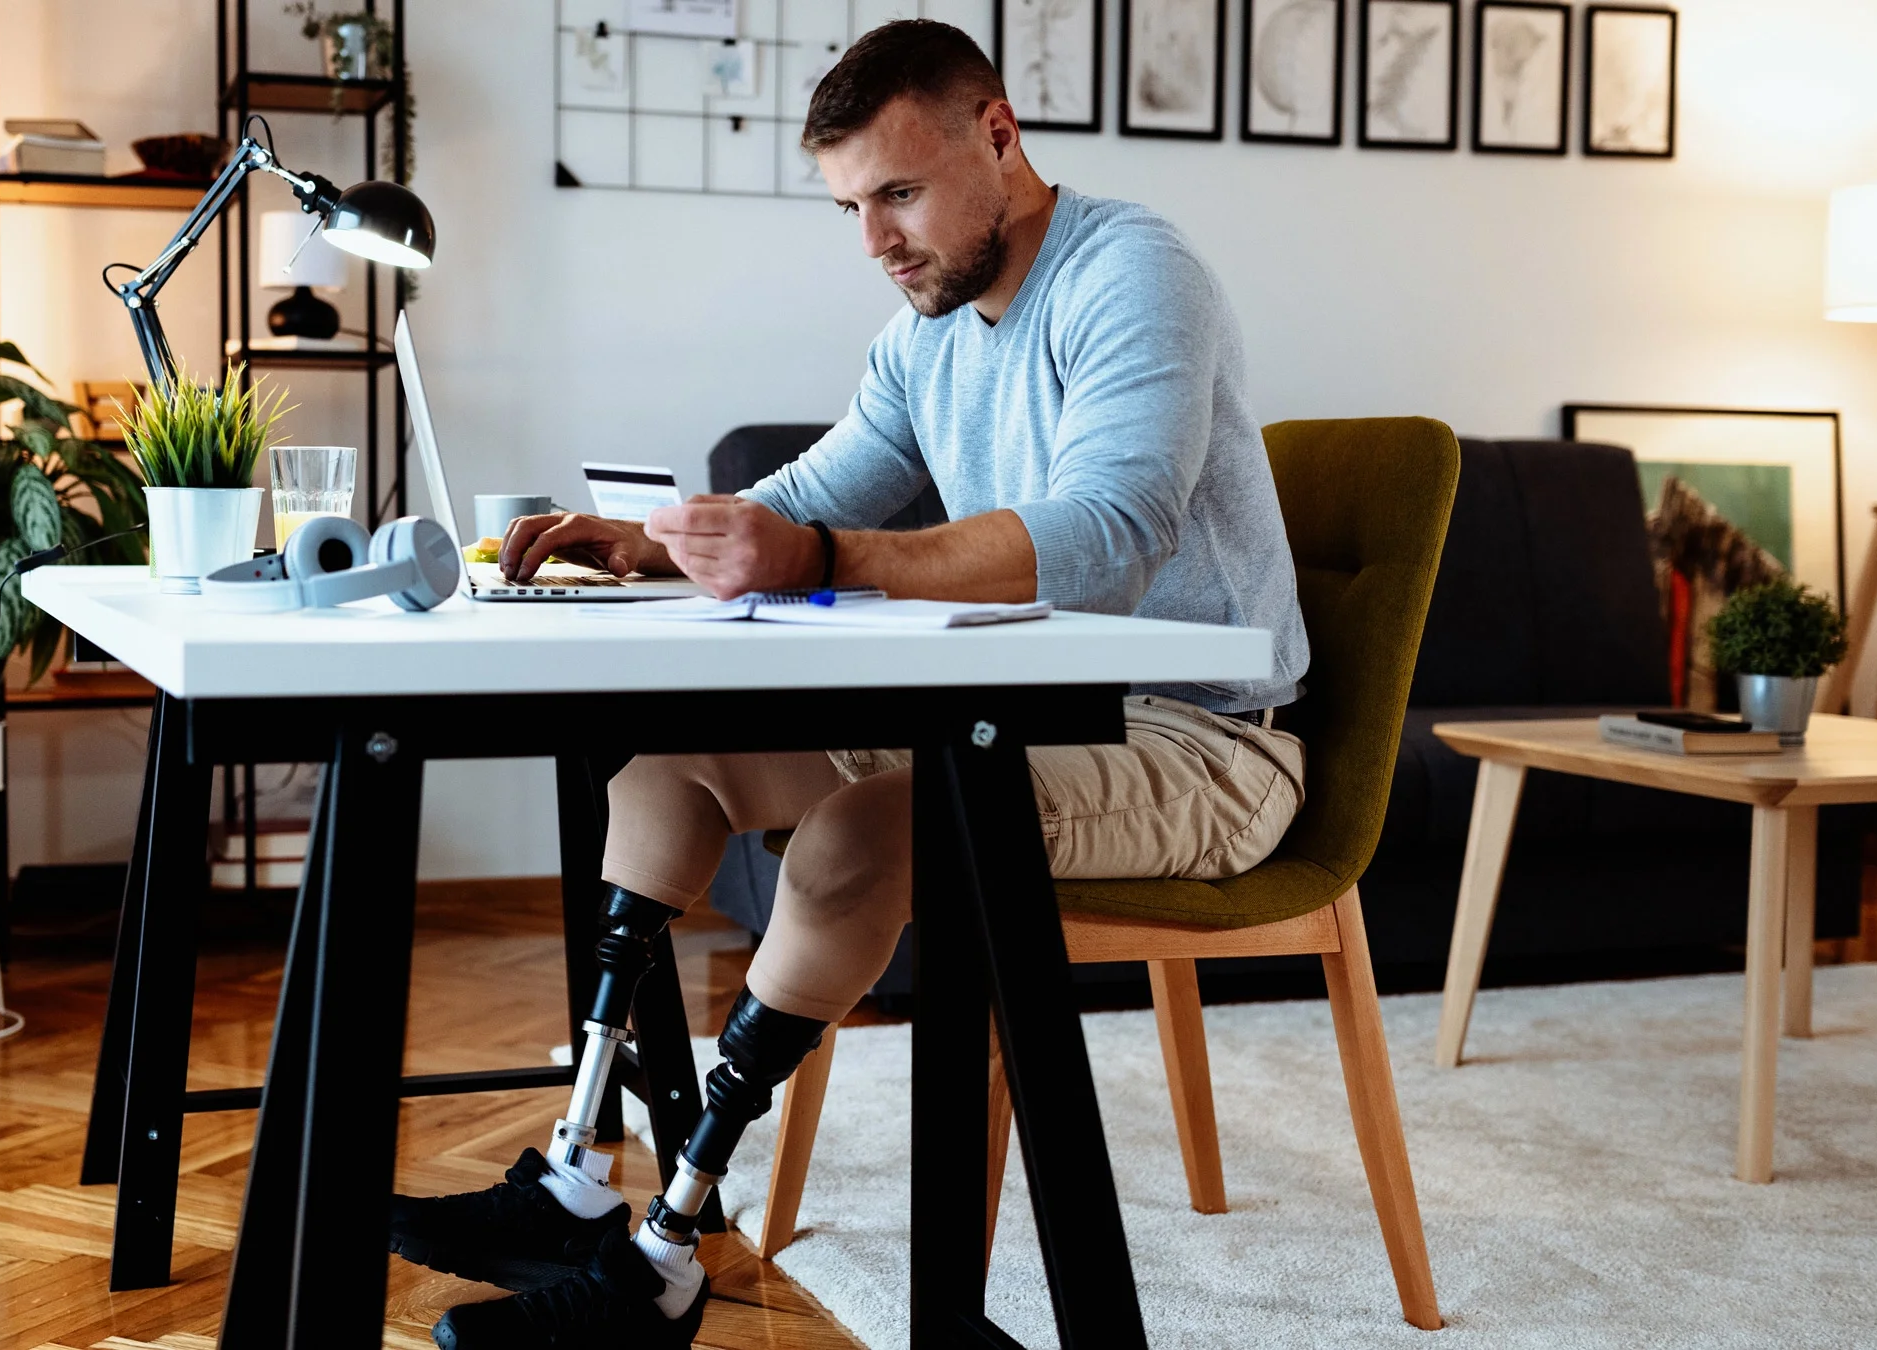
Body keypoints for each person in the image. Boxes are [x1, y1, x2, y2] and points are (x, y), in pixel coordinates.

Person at [398, 18, 1311, 1348]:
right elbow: (806, 501)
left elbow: (1109, 537)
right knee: (668, 771)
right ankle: (579, 1178)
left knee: (865, 832)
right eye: (850, 207)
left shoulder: (1135, 276)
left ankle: (664, 1262)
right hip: (1016, 722)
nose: (877, 240)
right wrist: (647, 547)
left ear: (998, 134)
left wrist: (820, 556)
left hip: (1207, 745)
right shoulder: (927, 332)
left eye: (898, 192)